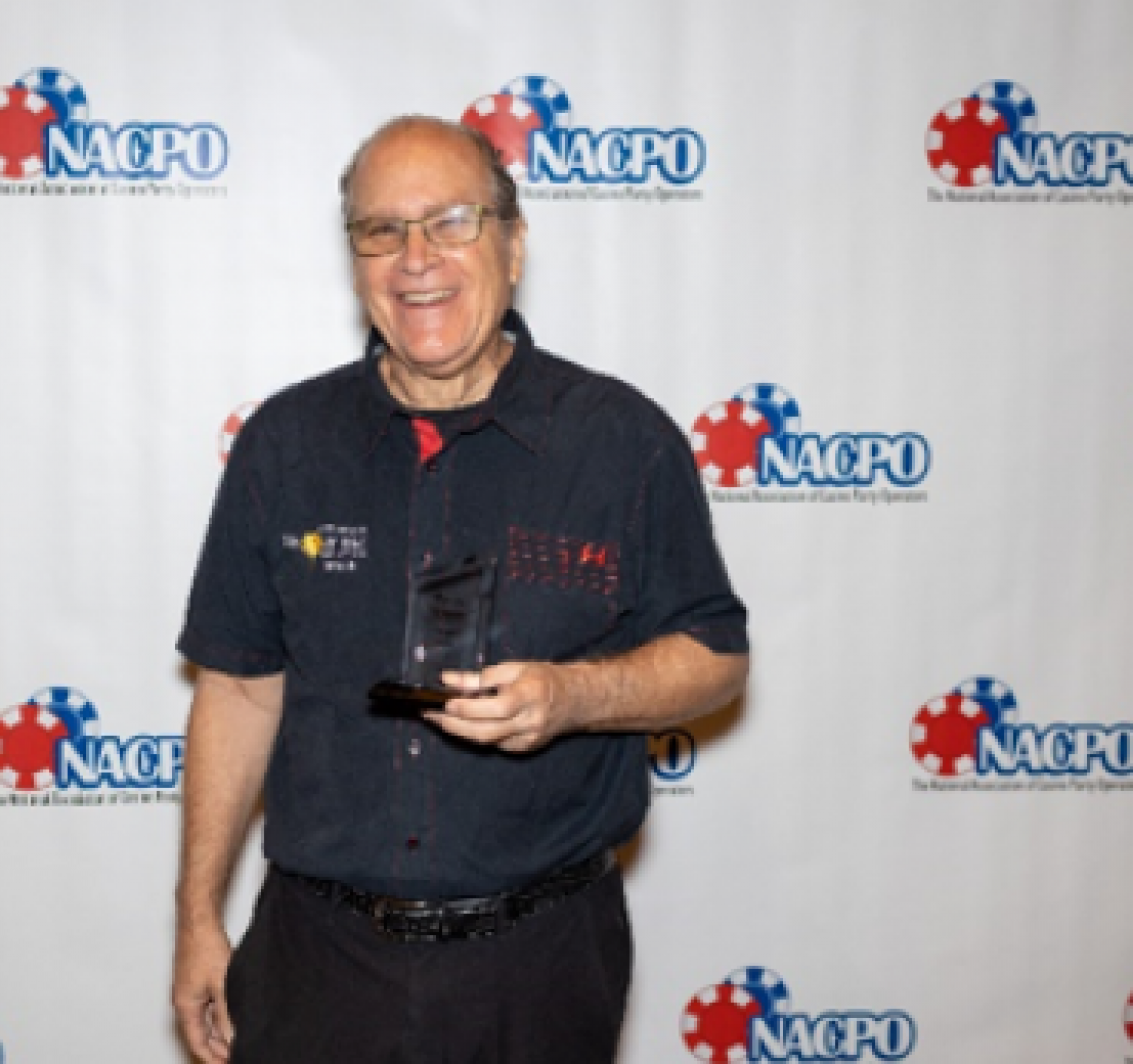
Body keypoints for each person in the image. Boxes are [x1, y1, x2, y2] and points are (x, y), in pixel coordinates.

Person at [173, 115, 748, 1064]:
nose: (414, 259)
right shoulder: (285, 443)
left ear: (514, 243)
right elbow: (238, 685)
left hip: (539, 967)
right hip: (314, 963)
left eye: (450, 221)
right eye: (381, 230)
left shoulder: (622, 442)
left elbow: (716, 657)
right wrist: (196, 916)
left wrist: (575, 697)